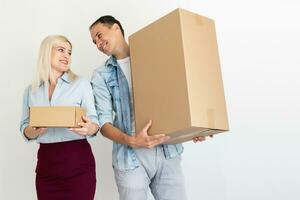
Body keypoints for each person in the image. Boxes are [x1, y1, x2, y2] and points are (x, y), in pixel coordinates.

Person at [90, 16, 210, 200]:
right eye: (94, 41)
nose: (98, 43)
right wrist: (132, 141)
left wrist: (193, 129)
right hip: (130, 158)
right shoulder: (101, 75)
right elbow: (103, 124)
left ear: (116, 28)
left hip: (167, 150)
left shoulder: (154, 55)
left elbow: (177, 98)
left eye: (99, 35)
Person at [20, 35, 99, 200]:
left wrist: (89, 128)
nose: (66, 56)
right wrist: (33, 132)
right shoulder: (31, 90)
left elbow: (94, 122)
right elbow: (25, 128)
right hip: (47, 167)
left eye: (69, 52)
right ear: (46, 52)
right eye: (61, 50)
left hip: (78, 165)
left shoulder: (81, 84)